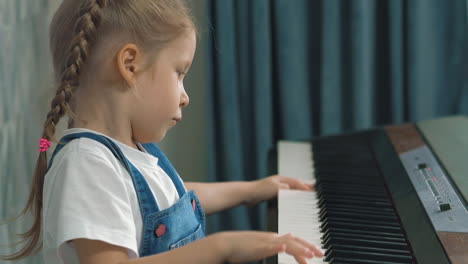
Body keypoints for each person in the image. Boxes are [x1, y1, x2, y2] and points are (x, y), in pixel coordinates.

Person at [1, 0, 324, 263]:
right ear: (130, 65)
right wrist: (221, 247)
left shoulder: (127, 151)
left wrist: (252, 190)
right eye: (179, 72)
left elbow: (175, 196)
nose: (185, 96)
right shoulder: (86, 165)